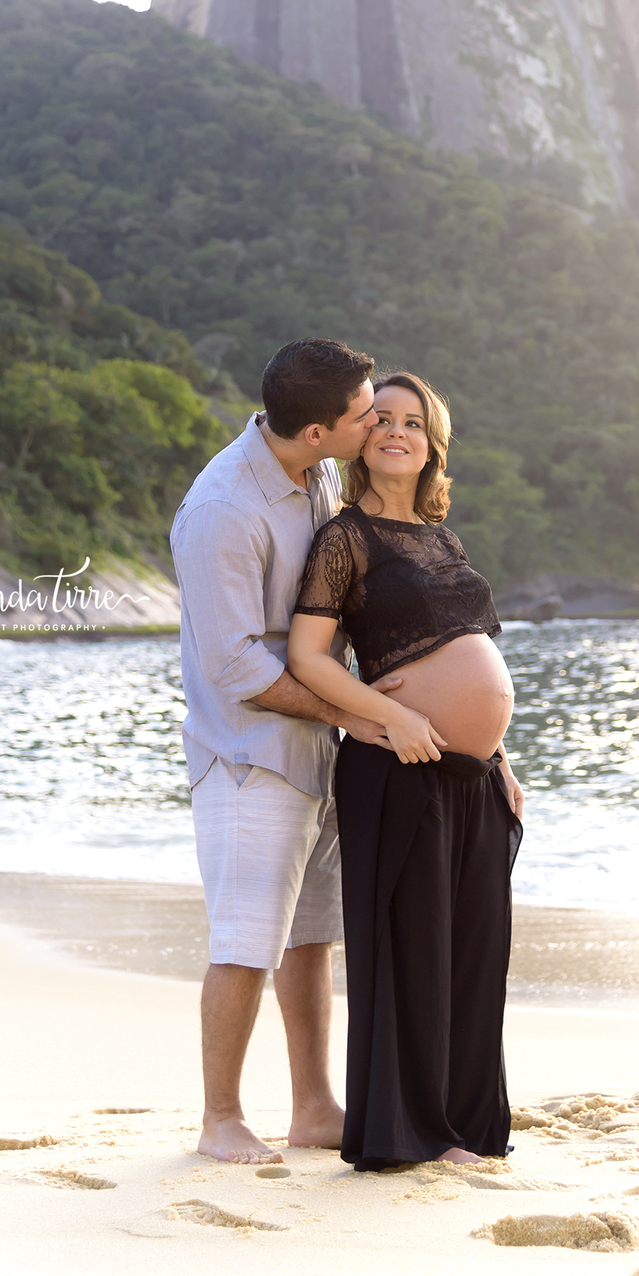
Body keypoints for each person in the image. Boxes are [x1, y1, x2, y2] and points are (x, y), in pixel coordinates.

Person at [171, 337, 406, 1165]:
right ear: (316, 431)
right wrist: (364, 714)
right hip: (248, 757)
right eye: (362, 413)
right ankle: (221, 1119)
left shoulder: (319, 476)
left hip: (317, 749)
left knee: (311, 936)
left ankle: (313, 1107)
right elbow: (235, 665)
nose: (374, 418)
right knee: (245, 938)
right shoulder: (223, 510)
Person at [287, 372, 525, 1170]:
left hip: (474, 777)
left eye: (413, 423)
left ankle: (463, 1125)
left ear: (433, 444)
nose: (396, 431)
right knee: (415, 953)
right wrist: (389, 715)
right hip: (398, 770)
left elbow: (471, 654)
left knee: (473, 954)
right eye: (380, 419)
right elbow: (307, 658)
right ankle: (415, 1130)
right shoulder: (344, 539)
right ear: (360, 439)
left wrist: (500, 753)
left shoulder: (443, 538)